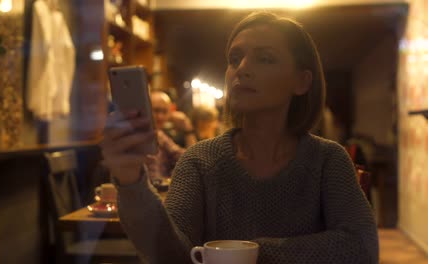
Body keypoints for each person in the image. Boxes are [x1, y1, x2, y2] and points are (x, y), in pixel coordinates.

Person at [100, 11, 378, 263]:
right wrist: (130, 181)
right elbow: (171, 257)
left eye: (265, 58)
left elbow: (361, 247)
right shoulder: (199, 161)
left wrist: (249, 253)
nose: (241, 69)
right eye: (235, 59)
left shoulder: (327, 160)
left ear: (302, 81)